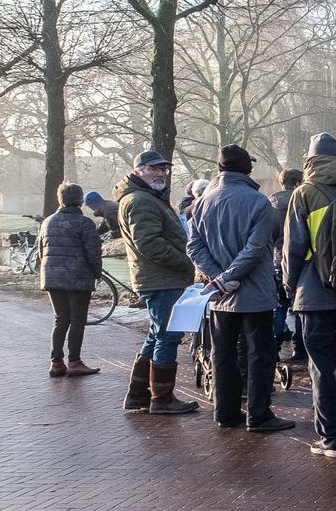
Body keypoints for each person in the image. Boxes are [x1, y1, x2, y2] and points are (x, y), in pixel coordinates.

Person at [187, 145, 295, 433]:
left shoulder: (202, 203)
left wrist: (217, 277)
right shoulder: (259, 203)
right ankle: (258, 415)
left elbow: (194, 246)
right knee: (259, 353)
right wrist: (229, 276)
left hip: (220, 295)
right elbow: (256, 247)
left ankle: (225, 411)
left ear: (220, 169)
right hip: (254, 292)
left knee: (222, 354)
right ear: (247, 169)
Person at [285, 133, 336, 457]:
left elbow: (294, 247)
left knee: (320, 367)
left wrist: (291, 286)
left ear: (310, 160)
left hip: (314, 292)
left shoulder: (303, 193)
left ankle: (332, 439)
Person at [116, 150, 199, 416]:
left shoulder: (145, 197)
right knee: (167, 336)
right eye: (153, 169)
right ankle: (162, 399)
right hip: (161, 279)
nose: (160, 173)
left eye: (163, 169)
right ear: (138, 170)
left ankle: (139, 395)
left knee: (156, 335)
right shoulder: (141, 200)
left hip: (157, 277)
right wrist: (187, 263)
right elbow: (149, 243)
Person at [39, 182, 103, 378]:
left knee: (60, 320)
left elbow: (41, 250)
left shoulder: (47, 221)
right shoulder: (84, 223)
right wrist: (97, 272)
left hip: (52, 276)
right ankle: (74, 362)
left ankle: (56, 363)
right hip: (78, 277)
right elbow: (93, 252)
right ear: (80, 200)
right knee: (77, 320)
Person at [269, 167, 304, 358]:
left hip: (277, 259)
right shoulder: (302, 199)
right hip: (299, 259)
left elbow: (269, 235)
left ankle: (274, 347)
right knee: (298, 305)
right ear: (298, 182)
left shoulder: (271, 203)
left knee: (279, 305)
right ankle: (300, 348)